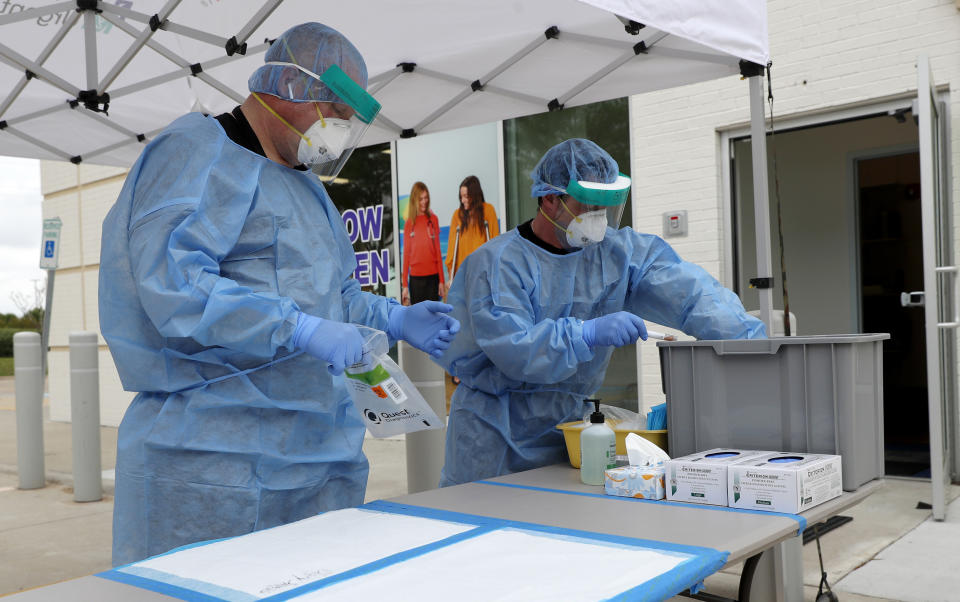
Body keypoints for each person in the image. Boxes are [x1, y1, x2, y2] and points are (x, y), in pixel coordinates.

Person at [98, 22, 459, 565]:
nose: (337, 132)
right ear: (291, 85)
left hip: (318, 456)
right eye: (335, 114)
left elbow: (338, 301)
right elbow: (172, 285)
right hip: (211, 458)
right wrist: (298, 328)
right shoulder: (195, 152)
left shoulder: (309, 190)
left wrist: (398, 319)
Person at [436, 139, 765, 487]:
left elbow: (690, 292)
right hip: (493, 438)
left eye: (604, 208)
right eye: (588, 206)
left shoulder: (615, 254)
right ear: (550, 199)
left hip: (571, 437)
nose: (598, 218)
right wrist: (585, 334)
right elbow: (516, 349)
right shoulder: (498, 263)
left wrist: (748, 342)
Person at [445, 174, 499, 285]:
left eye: (466, 196)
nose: (463, 200)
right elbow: (451, 249)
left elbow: (494, 243)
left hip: (483, 274)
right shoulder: (457, 215)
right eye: (461, 196)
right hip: (463, 275)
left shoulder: (488, 211)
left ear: (474, 195)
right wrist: (451, 277)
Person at [401, 182, 445, 305]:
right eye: (421, 199)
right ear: (415, 200)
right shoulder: (409, 224)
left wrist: (441, 281)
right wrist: (405, 285)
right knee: (419, 319)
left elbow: (438, 251)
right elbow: (406, 255)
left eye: (426, 198)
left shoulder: (433, 219)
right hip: (415, 280)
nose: (424, 202)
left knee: (434, 318)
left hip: (433, 278)